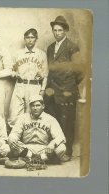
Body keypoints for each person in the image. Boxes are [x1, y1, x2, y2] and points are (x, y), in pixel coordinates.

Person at [44, 16, 84, 160]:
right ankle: (55, 152)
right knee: (53, 121)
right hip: (51, 92)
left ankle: (67, 152)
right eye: (55, 30)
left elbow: (80, 71)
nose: (57, 33)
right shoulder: (49, 48)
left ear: (65, 31)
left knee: (66, 122)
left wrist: (70, 85)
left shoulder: (72, 47)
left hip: (66, 92)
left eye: (60, 30)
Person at [8, 94, 68, 163]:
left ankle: (35, 159)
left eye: (38, 105)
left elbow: (60, 136)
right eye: (33, 106)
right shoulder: (23, 118)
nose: (35, 108)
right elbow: (14, 133)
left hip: (44, 149)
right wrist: (13, 139)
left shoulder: (50, 119)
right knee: (11, 140)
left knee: (62, 147)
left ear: (43, 106)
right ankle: (40, 159)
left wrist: (52, 143)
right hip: (26, 148)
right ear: (30, 107)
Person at [8, 28, 48, 130]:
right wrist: (14, 73)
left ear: (36, 39)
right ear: (24, 39)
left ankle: (27, 138)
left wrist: (43, 90)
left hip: (35, 86)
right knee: (14, 114)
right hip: (20, 85)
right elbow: (10, 69)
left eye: (32, 37)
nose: (30, 40)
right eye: (28, 37)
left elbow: (45, 74)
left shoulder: (41, 54)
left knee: (31, 114)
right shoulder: (18, 53)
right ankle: (14, 138)